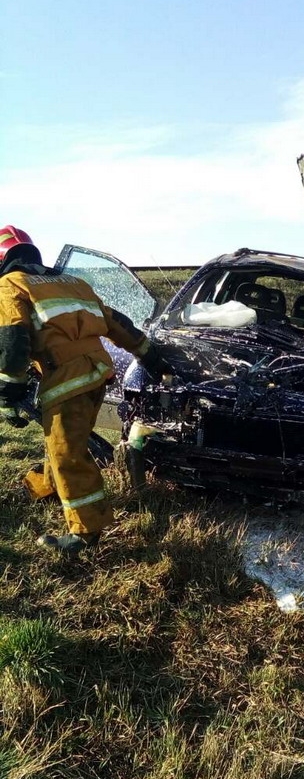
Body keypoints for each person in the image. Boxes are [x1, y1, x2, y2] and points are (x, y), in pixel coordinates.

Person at [0, 225, 172, 555]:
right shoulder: (72, 283)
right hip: (98, 375)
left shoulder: (10, 285)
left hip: (67, 379)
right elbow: (117, 323)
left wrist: (8, 396)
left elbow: (12, 343)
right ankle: (48, 486)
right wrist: (152, 357)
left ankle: (86, 532)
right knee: (63, 438)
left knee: (68, 453)